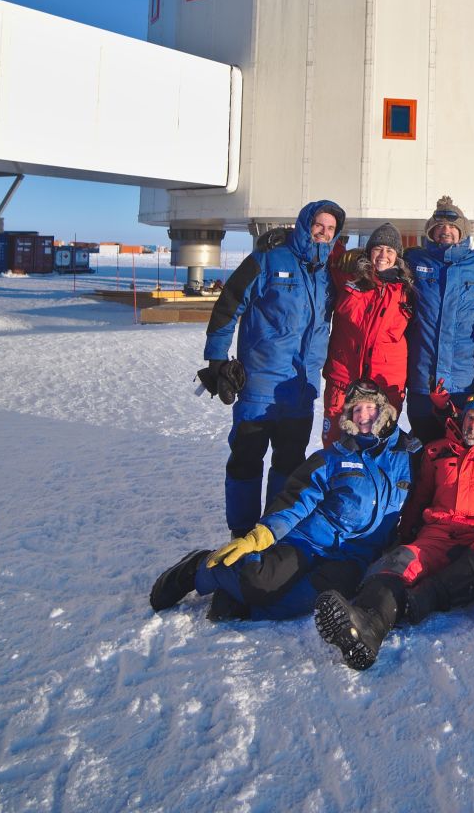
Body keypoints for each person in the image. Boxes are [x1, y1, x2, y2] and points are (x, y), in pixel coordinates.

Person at [149, 381, 418, 622]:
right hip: (307, 542)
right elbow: (295, 498)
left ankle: (242, 603)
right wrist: (264, 533)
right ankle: (200, 568)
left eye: (369, 408)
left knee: (303, 602)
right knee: (260, 581)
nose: (363, 417)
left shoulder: (406, 457)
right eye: (355, 410)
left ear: (383, 410)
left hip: (353, 557)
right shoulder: (332, 458)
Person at [314, 393, 474, 670]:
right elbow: (418, 499)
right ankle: (367, 626)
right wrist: (403, 537)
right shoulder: (436, 451)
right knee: (400, 561)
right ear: (462, 418)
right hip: (438, 535)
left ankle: (430, 595)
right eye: (470, 416)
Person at [200, 199, 345, 536]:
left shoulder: (331, 274)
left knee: (289, 462)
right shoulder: (268, 260)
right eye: (318, 225)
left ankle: (272, 532)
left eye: (330, 229)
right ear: (305, 223)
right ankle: (241, 531)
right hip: (259, 384)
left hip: (301, 388)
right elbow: (228, 306)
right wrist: (217, 360)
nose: (323, 233)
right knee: (246, 459)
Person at [404, 196, 474, 444]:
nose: (445, 232)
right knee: (424, 444)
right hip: (423, 377)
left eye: (452, 227)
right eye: (439, 227)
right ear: (430, 231)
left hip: (464, 380)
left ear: (462, 232)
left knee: (460, 444)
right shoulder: (414, 261)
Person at [321, 222, 413, 448]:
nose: (383, 255)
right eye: (378, 249)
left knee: (379, 445)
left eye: (390, 251)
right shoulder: (348, 277)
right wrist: (286, 233)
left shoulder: (406, 290)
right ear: (368, 251)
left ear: (397, 257)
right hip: (344, 377)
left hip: (385, 383)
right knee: (336, 443)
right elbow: (322, 243)